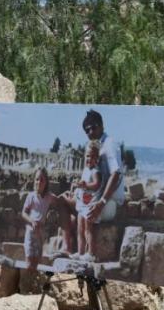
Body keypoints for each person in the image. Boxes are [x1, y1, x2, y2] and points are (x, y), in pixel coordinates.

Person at [53, 109, 126, 255]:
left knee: (65, 203)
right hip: (95, 198)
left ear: (102, 126)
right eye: (87, 130)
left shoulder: (109, 144)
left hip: (107, 202)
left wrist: (101, 203)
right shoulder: (95, 146)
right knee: (64, 201)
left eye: (94, 127)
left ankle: (69, 248)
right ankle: (72, 249)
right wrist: (77, 192)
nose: (91, 132)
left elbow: (115, 174)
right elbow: (90, 179)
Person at [72, 140, 102, 261]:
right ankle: (80, 252)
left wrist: (86, 185)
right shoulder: (85, 170)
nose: (89, 158)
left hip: (90, 204)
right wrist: (77, 186)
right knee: (80, 228)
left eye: (93, 156)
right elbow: (82, 183)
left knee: (88, 228)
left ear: (97, 159)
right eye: (88, 156)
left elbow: (96, 184)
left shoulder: (95, 171)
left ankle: (91, 253)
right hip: (82, 203)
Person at [21, 167, 56, 271]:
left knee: (36, 262)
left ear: (46, 182)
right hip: (30, 232)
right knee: (29, 260)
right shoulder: (31, 196)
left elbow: (59, 201)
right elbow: (24, 213)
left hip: (40, 233)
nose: (39, 182)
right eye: (37, 179)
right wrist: (31, 220)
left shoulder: (49, 197)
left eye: (42, 180)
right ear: (34, 181)